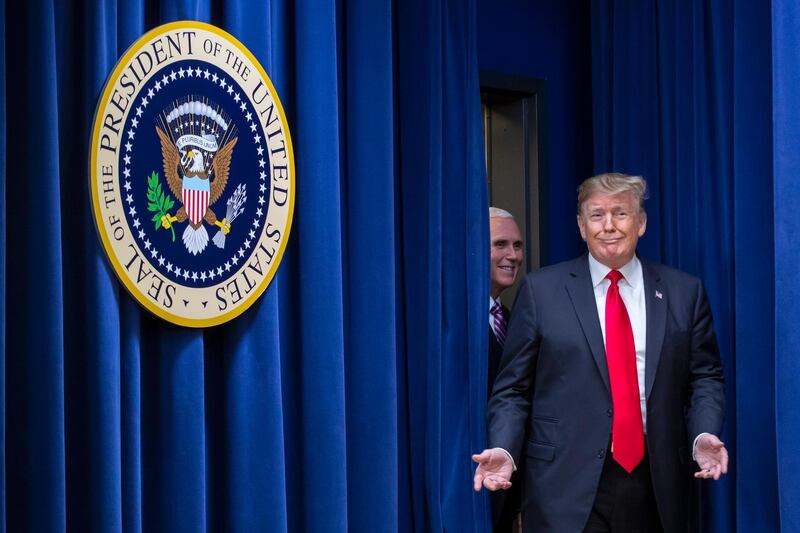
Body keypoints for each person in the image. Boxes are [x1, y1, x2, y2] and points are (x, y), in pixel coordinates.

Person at [473, 173, 727, 532]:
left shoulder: (684, 293)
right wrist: (504, 448)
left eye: (620, 214)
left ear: (641, 223)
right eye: (596, 215)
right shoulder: (541, 291)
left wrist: (703, 434)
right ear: (581, 225)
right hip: (562, 485)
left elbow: (705, 377)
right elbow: (513, 389)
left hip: (655, 483)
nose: (609, 226)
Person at [487, 207, 524, 532]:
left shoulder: (516, 321)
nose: (512, 255)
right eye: (500, 244)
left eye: (517, 245)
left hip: (507, 490)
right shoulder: (448, 323)